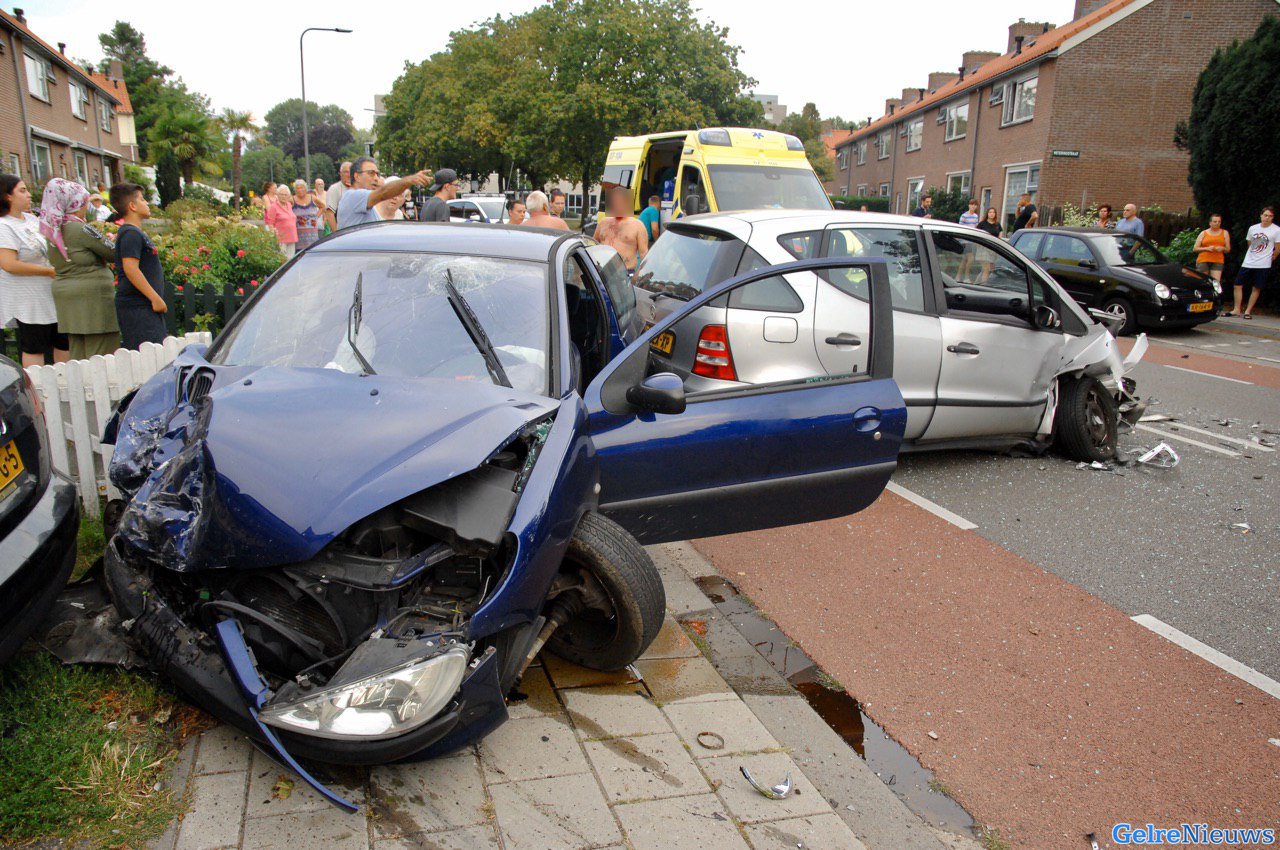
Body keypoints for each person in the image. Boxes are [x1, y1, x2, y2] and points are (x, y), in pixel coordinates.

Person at [38, 178, 120, 358]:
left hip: (67, 296)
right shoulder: (80, 229)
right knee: (101, 352)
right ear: (75, 203)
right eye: (85, 202)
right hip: (92, 298)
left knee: (78, 351)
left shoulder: (53, 230)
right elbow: (113, 252)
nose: (87, 207)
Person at [0, 174, 67, 366]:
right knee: (34, 345)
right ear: (7, 196)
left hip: (50, 293)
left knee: (63, 341)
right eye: (22, 190)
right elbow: (9, 264)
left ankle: (65, 385)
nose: (29, 194)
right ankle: (38, 390)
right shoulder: (4, 226)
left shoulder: (31, 219)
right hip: (28, 299)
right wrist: (47, 271)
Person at [109, 182, 169, 350]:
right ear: (132, 206)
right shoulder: (130, 234)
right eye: (142, 199)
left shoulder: (134, 233)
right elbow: (131, 269)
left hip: (144, 307)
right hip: (138, 308)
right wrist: (155, 298)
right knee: (150, 354)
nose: (146, 203)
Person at [337, 157, 430, 229]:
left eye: (377, 174)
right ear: (356, 176)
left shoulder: (363, 201)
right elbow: (383, 193)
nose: (376, 178)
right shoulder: (353, 196)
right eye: (371, 173)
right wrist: (408, 181)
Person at [1227, 206, 1279, 319]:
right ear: (1261, 216)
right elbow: (1250, 243)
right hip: (1249, 261)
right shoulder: (1253, 228)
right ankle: (1237, 309)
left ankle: (1248, 311)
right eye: (1265, 215)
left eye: (1270, 216)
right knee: (1238, 284)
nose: (1267, 218)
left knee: (1256, 287)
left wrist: (1272, 256)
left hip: (1263, 263)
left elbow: (1277, 248)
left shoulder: (1276, 230)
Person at [594, 186, 649, 272]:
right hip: (602, 272)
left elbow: (644, 254)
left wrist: (642, 275)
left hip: (626, 273)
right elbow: (592, 245)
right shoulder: (603, 223)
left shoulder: (638, 225)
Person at [1192, 214, 1230, 288]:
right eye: (1215, 221)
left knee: (1216, 282)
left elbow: (1228, 249)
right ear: (1210, 223)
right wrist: (1206, 248)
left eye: (1219, 222)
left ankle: (1214, 298)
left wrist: (1222, 248)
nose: (1217, 223)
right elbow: (1195, 248)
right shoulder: (1203, 233)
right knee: (1202, 281)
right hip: (1203, 259)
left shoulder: (1225, 233)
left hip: (1217, 260)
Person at [266, 185, 299, 257]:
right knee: (283, 260)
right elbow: (270, 223)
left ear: (289, 196)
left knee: (290, 260)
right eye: (281, 194)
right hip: (281, 239)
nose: (284, 196)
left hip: (292, 237)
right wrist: (273, 235)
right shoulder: (274, 207)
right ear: (277, 195)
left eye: (286, 195)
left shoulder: (289, 205)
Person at [290, 179, 323, 251]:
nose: (300, 190)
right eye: (297, 188)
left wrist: (316, 217)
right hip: (298, 235)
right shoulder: (292, 200)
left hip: (312, 235)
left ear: (305, 188)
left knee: (313, 252)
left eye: (301, 187)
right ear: (295, 190)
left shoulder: (312, 198)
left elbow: (323, 206)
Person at [325, 161, 352, 231]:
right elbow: (329, 213)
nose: (349, 174)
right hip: (343, 231)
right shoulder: (334, 189)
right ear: (340, 174)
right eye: (346, 172)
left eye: (351, 171)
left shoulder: (359, 188)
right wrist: (336, 233)